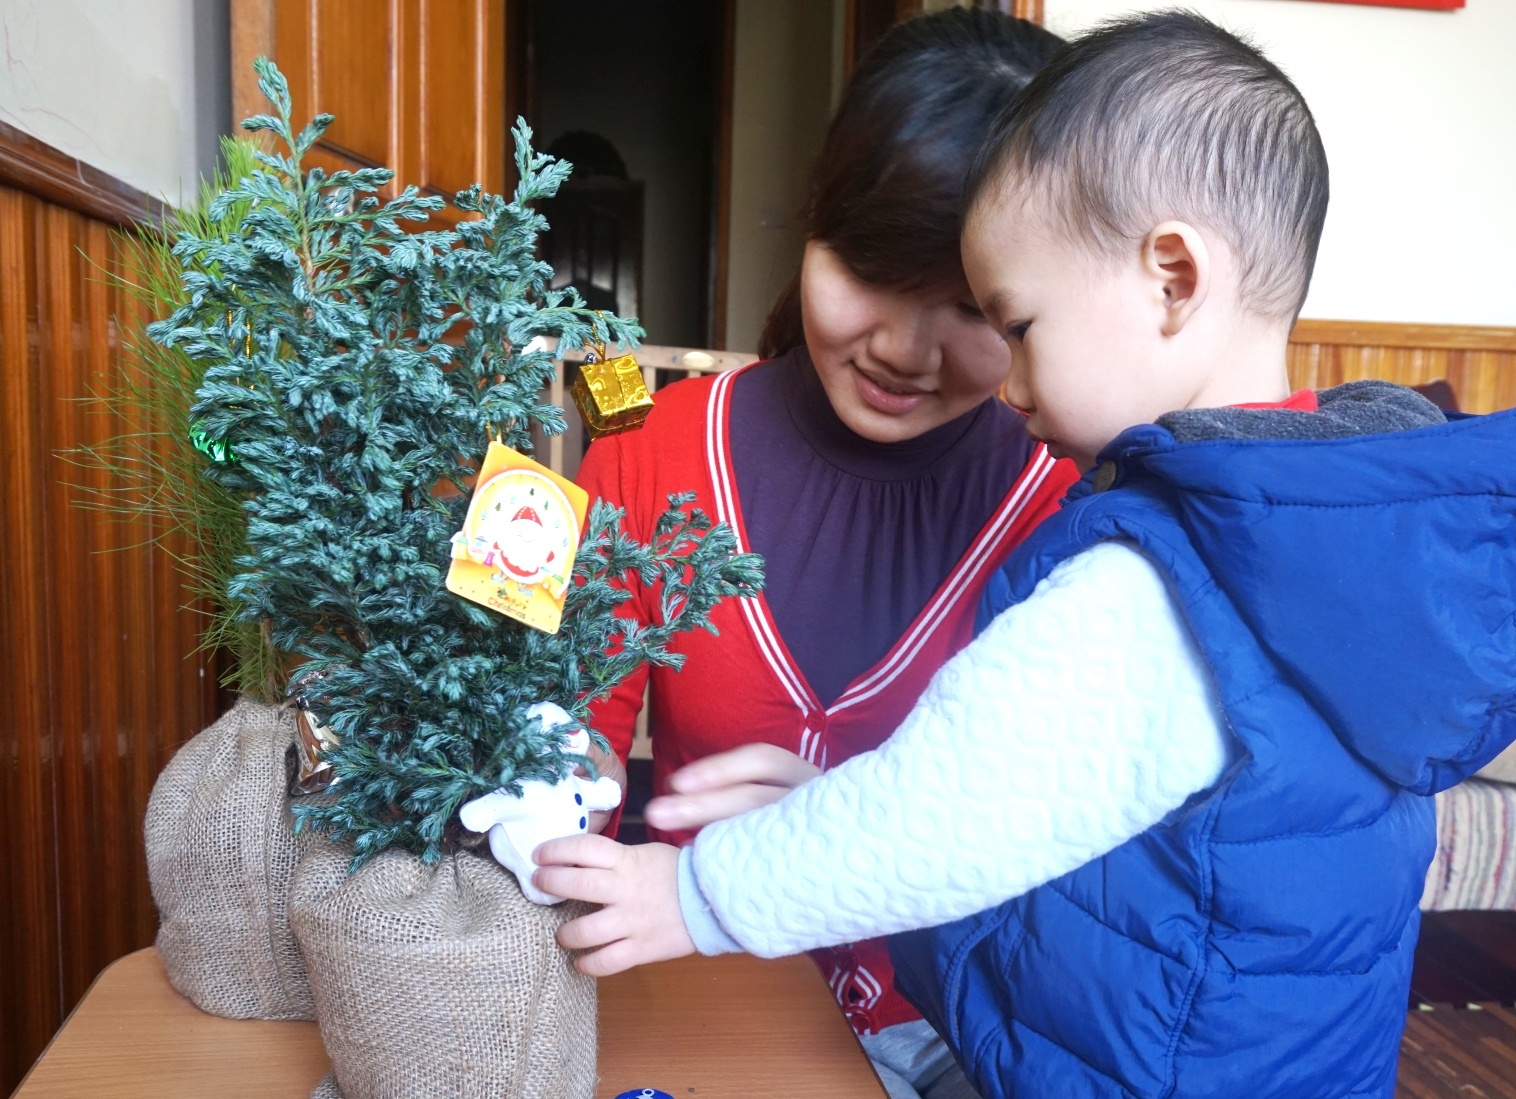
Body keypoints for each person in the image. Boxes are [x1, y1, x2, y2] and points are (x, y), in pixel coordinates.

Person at [538, 11, 1516, 1099]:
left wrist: (692, 892)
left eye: (993, 316)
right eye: (868, 267)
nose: (912, 350)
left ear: (1172, 278)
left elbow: (954, 809)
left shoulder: (1137, 563)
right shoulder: (1335, 523)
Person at [571, 9, 1074, 1098]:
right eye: (871, 268)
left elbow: (1077, 868)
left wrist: (850, 829)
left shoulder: (1068, 506)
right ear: (815, 220)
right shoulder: (649, 451)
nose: (902, 348)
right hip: (700, 1004)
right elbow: (572, 749)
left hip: (965, 1031)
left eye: (971, 307)